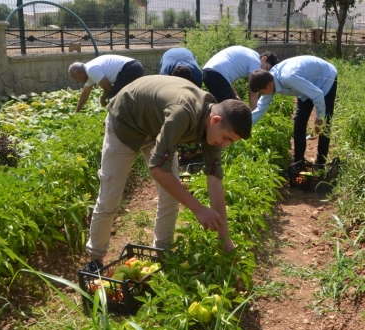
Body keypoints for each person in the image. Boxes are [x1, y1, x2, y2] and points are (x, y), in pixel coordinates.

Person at [84, 75, 252, 272]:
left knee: (171, 198)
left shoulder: (213, 130)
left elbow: (214, 181)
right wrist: (198, 209)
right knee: (110, 197)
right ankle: (95, 258)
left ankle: (162, 253)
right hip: (125, 122)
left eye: (229, 142)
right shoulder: (183, 112)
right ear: (216, 120)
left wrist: (225, 240)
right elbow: (157, 169)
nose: (225, 144)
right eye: (226, 138)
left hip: (158, 129)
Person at [249, 56, 337, 166]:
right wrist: (244, 127)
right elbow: (260, 109)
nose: (263, 95)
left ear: (269, 85)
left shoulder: (288, 78)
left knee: (325, 124)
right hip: (306, 82)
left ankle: (320, 163)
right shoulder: (268, 80)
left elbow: (317, 94)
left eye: (262, 92)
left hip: (324, 77)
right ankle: (298, 162)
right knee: (299, 122)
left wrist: (319, 118)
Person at [202, 46, 279, 110]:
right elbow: (253, 92)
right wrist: (254, 115)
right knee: (224, 111)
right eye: (267, 68)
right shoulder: (256, 62)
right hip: (217, 74)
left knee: (232, 104)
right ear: (264, 58)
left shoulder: (252, 55)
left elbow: (226, 75)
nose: (264, 71)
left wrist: (235, 96)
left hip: (209, 71)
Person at [68, 54, 144, 113]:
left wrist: (105, 98)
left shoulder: (91, 70)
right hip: (134, 67)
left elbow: (109, 89)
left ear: (80, 73)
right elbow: (85, 93)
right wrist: (76, 111)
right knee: (126, 96)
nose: (77, 81)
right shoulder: (90, 70)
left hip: (130, 68)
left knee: (116, 97)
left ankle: (118, 120)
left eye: (75, 78)